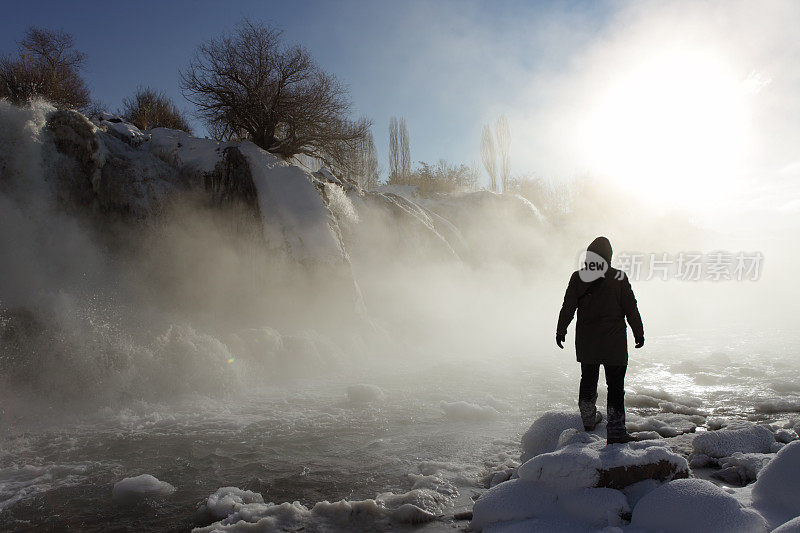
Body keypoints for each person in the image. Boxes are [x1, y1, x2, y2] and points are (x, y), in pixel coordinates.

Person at [556, 236, 644, 444]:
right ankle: (615, 431)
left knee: (588, 380)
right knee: (615, 387)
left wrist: (561, 330)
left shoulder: (578, 278)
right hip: (614, 343)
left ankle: (588, 419)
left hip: (588, 342)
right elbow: (631, 308)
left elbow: (568, 307)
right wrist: (638, 332)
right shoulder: (619, 277)